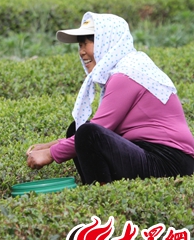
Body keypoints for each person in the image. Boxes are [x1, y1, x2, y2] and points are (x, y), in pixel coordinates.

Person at [26, 12, 194, 184]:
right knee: (77, 130)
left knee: (87, 133)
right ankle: (100, 190)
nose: (82, 52)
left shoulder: (127, 75)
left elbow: (98, 128)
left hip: (169, 161)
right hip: (150, 153)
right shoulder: (129, 68)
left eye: (87, 44)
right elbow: (104, 129)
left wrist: (50, 153)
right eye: (80, 45)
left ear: (107, 42)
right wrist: (51, 145)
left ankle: (99, 195)